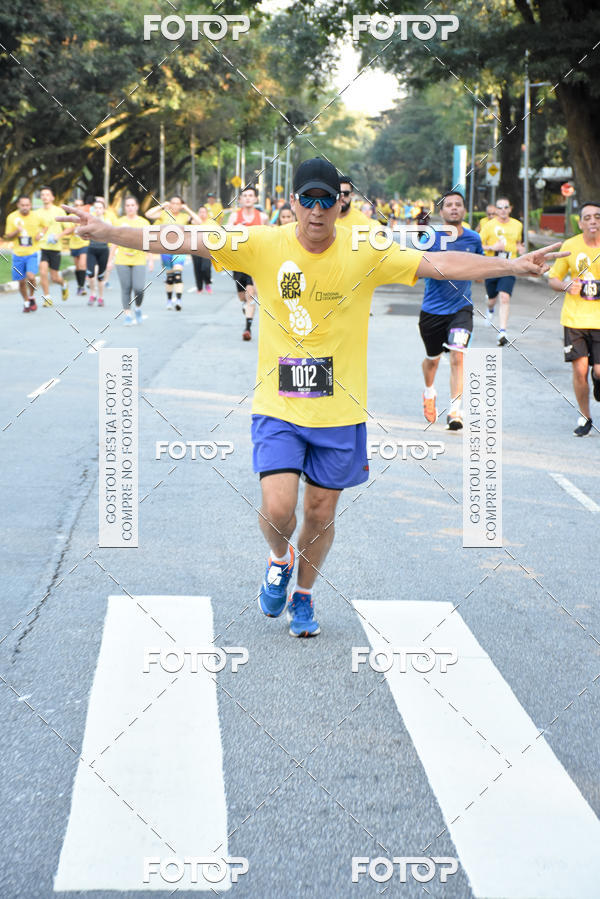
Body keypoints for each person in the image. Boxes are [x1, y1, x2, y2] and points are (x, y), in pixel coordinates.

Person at [60, 156, 564, 638]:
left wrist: (511, 265)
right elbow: (178, 236)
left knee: (321, 514)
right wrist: (106, 232)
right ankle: (279, 561)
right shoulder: (259, 242)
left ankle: (304, 592)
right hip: (279, 406)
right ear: (295, 202)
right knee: (279, 507)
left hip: (341, 411)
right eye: (309, 201)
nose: (318, 211)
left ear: (339, 205)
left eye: (328, 201)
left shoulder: (367, 247)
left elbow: (441, 262)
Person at [419, 191, 483, 430]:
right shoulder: (429, 238)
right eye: (449, 205)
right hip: (432, 310)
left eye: (458, 205)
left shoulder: (473, 238)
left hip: (461, 308)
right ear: (441, 212)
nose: (454, 208)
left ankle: (455, 410)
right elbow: (416, 268)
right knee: (432, 361)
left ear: (464, 210)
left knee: (458, 355)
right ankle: (429, 391)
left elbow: (481, 269)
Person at [547, 201, 600, 436]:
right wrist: (567, 285)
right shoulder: (570, 246)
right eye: (587, 217)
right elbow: (553, 279)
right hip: (575, 319)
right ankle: (585, 417)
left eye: (597, 217)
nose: (592, 221)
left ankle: (597, 380)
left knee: (598, 371)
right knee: (580, 371)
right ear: (580, 223)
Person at [479, 197, 524, 345]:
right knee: (492, 299)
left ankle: (502, 331)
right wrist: (492, 248)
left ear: (510, 209)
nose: (503, 210)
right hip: (492, 265)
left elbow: (518, 242)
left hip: (509, 266)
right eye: (500, 207)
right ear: (496, 210)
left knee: (504, 297)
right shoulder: (488, 225)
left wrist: (520, 248)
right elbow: (478, 245)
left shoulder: (517, 225)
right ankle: (490, 309)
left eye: (506, 207)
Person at [107, 197, 152, 325]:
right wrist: (109, 261)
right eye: (127, 205)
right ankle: (127, 314)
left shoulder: (144, 223)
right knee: (126, 288)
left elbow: (147, 243)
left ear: (137, 207)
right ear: (125, 208)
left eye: (132, 205)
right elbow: (114, 242)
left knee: (139, 288)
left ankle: (137, 308)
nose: (130, 207)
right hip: (122, 259)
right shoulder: (119, 222)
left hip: (138, 259)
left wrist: (151, 260)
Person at [230, 185, 267, 341]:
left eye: (251, 195)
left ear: (256, 198)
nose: (248, 198)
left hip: (255, 261)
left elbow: (268, 237)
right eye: (245, 195)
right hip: (238, 262)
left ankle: (247, 329)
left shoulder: (262, 217)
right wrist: (235, 229)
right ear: (240, 200)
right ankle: (246, 306)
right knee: (242, 296)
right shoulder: (234, 217)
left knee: (251, 294)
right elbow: (225, 235)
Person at [146, 196, 194, 310]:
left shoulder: (184, 216)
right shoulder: (164, 214)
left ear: (181, 205)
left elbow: (198, 221)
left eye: (178, 204)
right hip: (165, 249)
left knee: (178, 275)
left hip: (180, 249)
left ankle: (178, 300)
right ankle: (168, 300)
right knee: (170, 277)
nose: (175, 206)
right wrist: (162, 205)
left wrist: (187, 208)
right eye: (173, 203)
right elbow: (148, 214)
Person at [2, 195, 41, 313]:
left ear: (30, 205)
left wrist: (41, 235)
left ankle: (32, 296)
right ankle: (26, 302)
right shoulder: (12, 217)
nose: (25, 207)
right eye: (22, 205)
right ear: (18, 205)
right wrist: (16, 231)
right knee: (21, 281)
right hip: (18, 254)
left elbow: (45, 226)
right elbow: (8, 235)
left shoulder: (36, 216)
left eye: (27, 205)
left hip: (32, 252)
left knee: (31, 276)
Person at [37, 186, 68, 306]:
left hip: (55, 248)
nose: (45, 197)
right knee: (43, 271)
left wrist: (58, 236)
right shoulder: (37, 213)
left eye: (47, 194)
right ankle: (47, 298)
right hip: (42, 247)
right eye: (43, 194)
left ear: (53, 197)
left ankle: (63, 284)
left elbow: (69, 228)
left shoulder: (59, 211)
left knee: (55, 278)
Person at [86, 198, 113, 307]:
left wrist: (111, 258)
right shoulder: (90, 221)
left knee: (101, 277)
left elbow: (111, 237)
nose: (98, 210)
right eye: (96, 208)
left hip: (103, 250)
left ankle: (101, 297)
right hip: (92, 249)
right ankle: (93, 294)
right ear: (93, 209)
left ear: (104, 210)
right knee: (91, 274)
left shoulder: (107, 222)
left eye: (100, 208)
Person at [63, 198, 89, 295]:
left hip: (84, 244)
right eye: (76, 205)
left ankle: (82, 287)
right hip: (74, 244)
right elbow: (68, 230)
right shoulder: (70, 217)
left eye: (80, 205)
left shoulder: (87, 217)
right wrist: (75, 227)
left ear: (83, 206)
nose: (78, 207)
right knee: (77, 267)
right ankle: (79, 285)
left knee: (82, 264)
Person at [189, 205, 215, 293]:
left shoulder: (211, 222)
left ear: (207, 214)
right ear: (198, 213)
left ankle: (207, 282)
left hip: (207, 249)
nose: (202, 214)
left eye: (204, 212)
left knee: (206, 268)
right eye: (200, 212)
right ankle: (199, 287)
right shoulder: (194, 222)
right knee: (197, 268)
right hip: (195, 248)